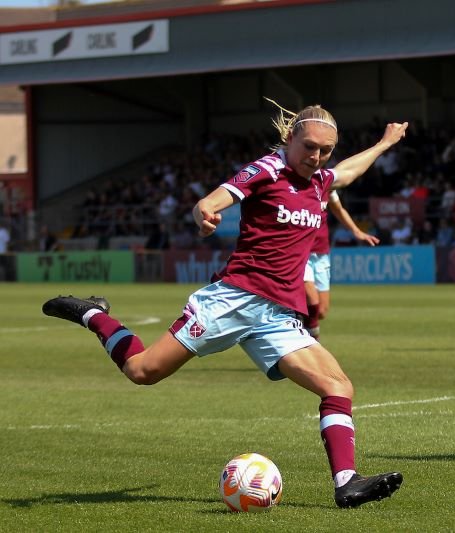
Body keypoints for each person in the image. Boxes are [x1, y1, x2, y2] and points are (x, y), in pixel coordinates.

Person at [42, 103, 408, 508]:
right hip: (233, 300)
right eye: (309, 147)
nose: (316, 157)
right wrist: (206, 216)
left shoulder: (321, 181)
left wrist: (384, 143)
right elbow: (211, 201)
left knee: (338, 386)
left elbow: (350, 171)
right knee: (142, 371)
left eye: (325, 150)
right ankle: (94, 315)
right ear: (290, 140)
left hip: (277, 316)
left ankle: (346, 483)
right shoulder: (266, 169)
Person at [304, 189, 379, 339]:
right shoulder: (292, 181)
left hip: (321, 253)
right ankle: (311, 349)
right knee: (312, 301)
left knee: (321, 311)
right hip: (300, 252)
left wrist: (356, 231)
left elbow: (338, 209)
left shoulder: (326, 181)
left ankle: (297, 329)